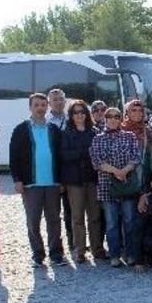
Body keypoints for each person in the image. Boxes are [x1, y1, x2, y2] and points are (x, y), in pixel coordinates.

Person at [10, 93, 66, 268]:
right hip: (30, 184)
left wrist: (61, 179)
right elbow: (14, 157)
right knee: (33, 221)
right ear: (30, 107)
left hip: (52, 183)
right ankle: (37, 254)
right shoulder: (21, 129)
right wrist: (17, 179)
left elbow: (61, 156)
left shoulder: (54, 130)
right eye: (37, 105)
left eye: (43, 105)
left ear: (47, 106)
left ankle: (56, 254)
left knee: (54, 220)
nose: (40, 108)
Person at [90, 107, 143, 267]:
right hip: (107, 186)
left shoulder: (130, 136)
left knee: (129, 221)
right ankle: (114, 254)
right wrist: (117, 172)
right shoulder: (97, 138)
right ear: (105, 119)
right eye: (109, 116)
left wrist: (125, 171)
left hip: (127, 186)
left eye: (117, 116)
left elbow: (136, 156)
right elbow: (97, 161)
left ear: (121, 118)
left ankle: (130, 254)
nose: (113, 119)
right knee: (111, 223)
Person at [61, 100, 105, 263]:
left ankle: (97, 248)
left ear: (87, 114)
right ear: (71, 115)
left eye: (82, 112)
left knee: (94, 216)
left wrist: (81, 154)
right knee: (77, 217)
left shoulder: (94, 132)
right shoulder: (66, 133)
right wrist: (84, 153)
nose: (79, 115)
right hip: (75, 181)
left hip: (92, 179)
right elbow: (64, 156)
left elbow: (99, 154)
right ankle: (79, 250)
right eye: (76, 112)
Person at [45, 88, 73, 252]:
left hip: (69, 172)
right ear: (49, 102)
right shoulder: (44, 121)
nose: (58, 102)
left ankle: (72, 243)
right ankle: (56, 247)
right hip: (51, 173)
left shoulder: (71, 119)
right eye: (55, 99)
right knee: (53, 214)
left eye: (61, 99)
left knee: (71, 211)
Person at [122, 99, 152, 189]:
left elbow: (151, 154)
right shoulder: (121, 129)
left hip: (144, 175)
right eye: (133, 110)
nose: (137, 113)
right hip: (125, 174)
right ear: (127, 112)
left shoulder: (147, 131)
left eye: (140, 110)